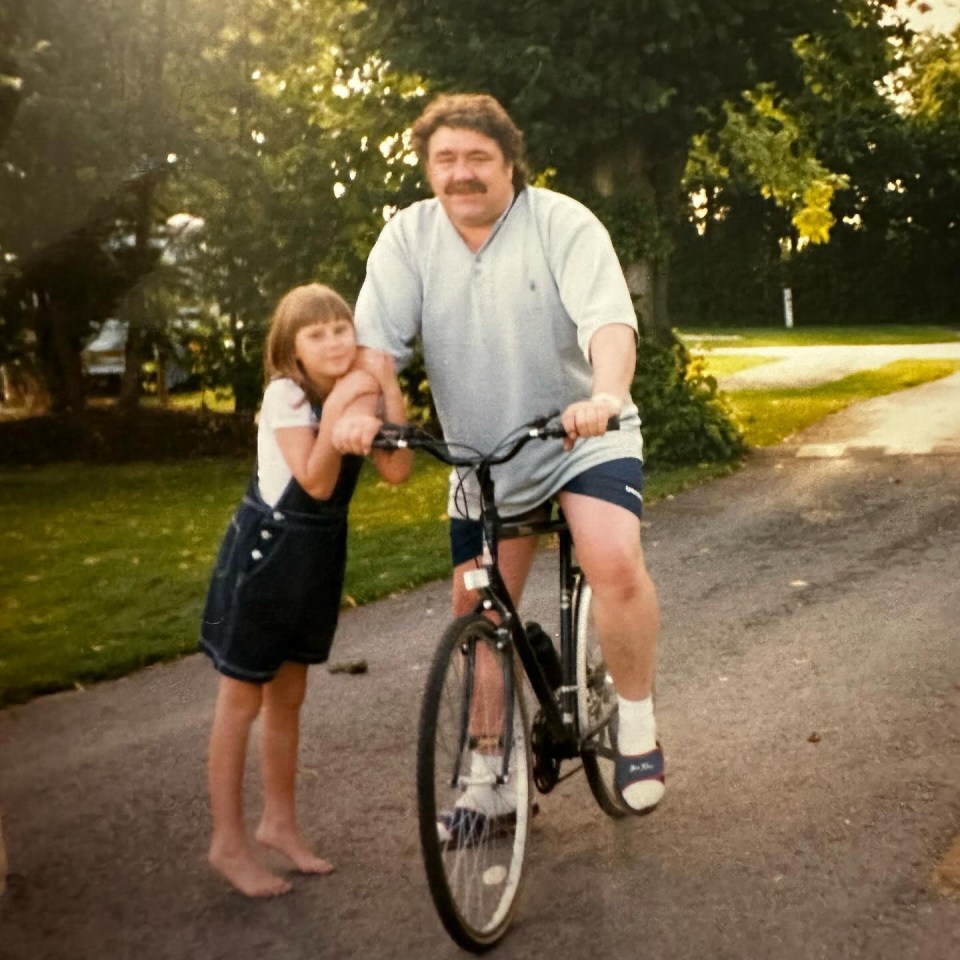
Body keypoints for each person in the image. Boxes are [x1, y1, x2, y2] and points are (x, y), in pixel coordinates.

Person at [335, 91, 664, 830]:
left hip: (581, 435)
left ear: (510, 161)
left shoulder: (561, 223)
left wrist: (605, 394)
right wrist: (364, 409)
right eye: (445, 159)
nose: (461, 173)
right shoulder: (408, 237)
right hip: (484, 454)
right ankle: (490, 778)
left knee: (611, 557)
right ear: (426, 167)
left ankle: (637, 727)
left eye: (478, 158)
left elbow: (609, 324)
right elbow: (373, 350)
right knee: (478, 613)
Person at [199, 283, 412, 897]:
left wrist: (386, 389)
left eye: (341, 328)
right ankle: (228, 842)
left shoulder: (359, 387)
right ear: (291, 349)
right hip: (266, 556)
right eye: (316, 335)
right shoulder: (288, 395)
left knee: (288, 697)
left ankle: (279, 823)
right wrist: (348, 396)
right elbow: (317, 483)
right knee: (241, 700)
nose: (334, 341)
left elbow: (397, 470)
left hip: (314, 560)